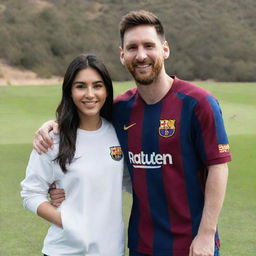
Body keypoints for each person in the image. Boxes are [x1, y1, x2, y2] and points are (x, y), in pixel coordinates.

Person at [33, 10, 231, 256]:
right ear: (122, 54)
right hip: (141, 244)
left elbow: (218, 167)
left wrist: (206, 234)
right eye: (132, 47)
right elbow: (85, 122)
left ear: (165, 49)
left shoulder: (198, 104)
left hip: (192, 245)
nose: (141, 55)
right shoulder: (120, 110)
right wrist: (53, 126)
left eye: (149, 45)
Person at [21, 53, 130, 256]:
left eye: (97, 85)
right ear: (70, 91)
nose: (90, 94)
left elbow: (130, 182)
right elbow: (30, 194)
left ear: (107, 90)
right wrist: (69, 222)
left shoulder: (118, 133)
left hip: (111, 250)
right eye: (81, 86)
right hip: (65, 250)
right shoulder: (52, 139)